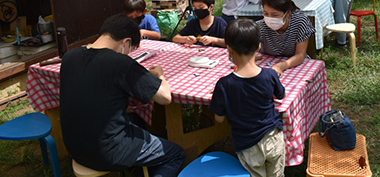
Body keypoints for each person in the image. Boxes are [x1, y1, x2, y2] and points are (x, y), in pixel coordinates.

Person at [60, 14, 185, 176]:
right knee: (176, 154)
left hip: (75, 147)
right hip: (107, 152)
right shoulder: (120, 63)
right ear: (126, 42)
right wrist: (160, 75)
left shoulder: (69, 57)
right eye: (131, 50)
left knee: (136, 120)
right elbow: (165, 97)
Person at [209, 19, 285, 177]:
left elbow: (219, 119)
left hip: (247, 145)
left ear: (228, 48)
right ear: (259, 47)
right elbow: (281, 94)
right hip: (273, 139)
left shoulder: (224, 85)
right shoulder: (270, 75)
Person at [257, 0, 315, 77]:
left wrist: (281, 66)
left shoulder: (300, 22)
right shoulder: (261, 26)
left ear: (287, 13)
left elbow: (300, 54)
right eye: (266, 13)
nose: (269, 18)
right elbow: (253, 49)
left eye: (275, 15)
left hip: (296, 66)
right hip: (268, 64)